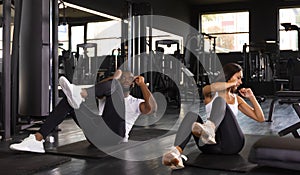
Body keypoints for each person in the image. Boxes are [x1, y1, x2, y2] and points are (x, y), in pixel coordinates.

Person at [10, 70, 157, 153]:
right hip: (96, 136)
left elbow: (152, 108)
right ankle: (37, 139)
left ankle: (79, 93)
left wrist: (142, 84)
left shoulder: (135, 102)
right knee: (69, 100)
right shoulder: (109, 92)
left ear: (133, 83)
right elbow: (101, 88)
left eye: (129, 78)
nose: (125, 80)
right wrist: (115, 77)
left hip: (115, 137)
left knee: (75, 96)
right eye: (123, 78)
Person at [162, 63, 265, 170]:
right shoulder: (210, 94)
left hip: (232, 144)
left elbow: (260, 118)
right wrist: (231, 84)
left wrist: (251, 97)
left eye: (240, 79)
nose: (240, 82)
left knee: (220, 101)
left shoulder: (237, 99)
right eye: (238, 78)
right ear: (228, 75)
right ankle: (176, 153)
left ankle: (209, 128)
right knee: (192, 115)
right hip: (210, 146)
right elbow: (213, 87)